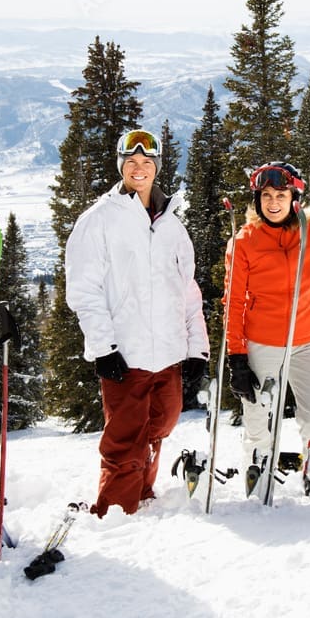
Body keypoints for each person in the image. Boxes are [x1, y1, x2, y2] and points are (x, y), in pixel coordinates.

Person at [65, 129, 209, 518]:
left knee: (161, 424)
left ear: (157, 167)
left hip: (168, 354)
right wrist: (103, 347)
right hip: (125, 355)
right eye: (132, 162)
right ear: (121, 166)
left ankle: (142, 496)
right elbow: (84, 290)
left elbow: (188, 291)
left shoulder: (171, 226)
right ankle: (115, 512)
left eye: (147, 162)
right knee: (125, 438)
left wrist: (197, 348)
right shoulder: (98, 220)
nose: (139, 168)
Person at [224, 161, 310, 498]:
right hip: (262, 343)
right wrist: (237, 357)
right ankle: (258, 486)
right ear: (257, 200)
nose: (273, 202)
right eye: (266, 195)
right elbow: (233, 302)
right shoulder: (244, 241)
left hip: (308, 340)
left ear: (294, 197)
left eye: (281, 194)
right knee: (257, 417)